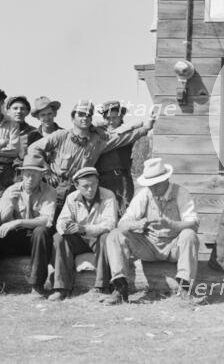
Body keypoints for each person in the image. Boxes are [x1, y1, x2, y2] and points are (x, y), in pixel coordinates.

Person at [28, 99, 155, 217]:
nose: (85, 118)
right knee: (48, 220)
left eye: (88, 115)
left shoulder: (97, 141)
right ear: (73, 118)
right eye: (81, 115)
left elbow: (121, 138)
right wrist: (47, 170)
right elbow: (34, 149)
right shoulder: (61, 135)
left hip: (80, 189)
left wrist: (146, 128)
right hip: (57, 187)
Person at [103, 158, 199, 304]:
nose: (152, 188)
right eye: (150, 185)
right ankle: (120, 287)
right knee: (115, 235)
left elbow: (193, 224)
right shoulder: (144, 194)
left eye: (156, 184)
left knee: (189, 235)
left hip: (173, 246)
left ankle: (185, 288)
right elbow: (122, 224)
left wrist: (173, 224)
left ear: (166, 179)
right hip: (148, 246)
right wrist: (137, 224)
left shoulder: (181, 193)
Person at [49, 167, 117, 301]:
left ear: (98, 183)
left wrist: (84, 228)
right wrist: (66, 227)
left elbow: (110, 224)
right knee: (58, 238)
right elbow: (61, 221)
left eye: (93, 185)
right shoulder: (71, 198)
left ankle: (102, 287)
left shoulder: (108, 195)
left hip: (98, 240)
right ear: (76, 186)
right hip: (79, 241)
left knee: (106, 237)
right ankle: (61, 288)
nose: (90, 189)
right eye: (85, 186)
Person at [0, 155, 56, 296]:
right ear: (21, 174)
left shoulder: (49, 191)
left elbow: (47, 220)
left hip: (35, 240)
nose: (30, 179)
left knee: (41, 231)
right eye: (27, 175)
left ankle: (37, 286)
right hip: (13, 238)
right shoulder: (11, 190)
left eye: (34, 175)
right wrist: (10, 205)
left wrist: (18, 222)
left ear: (41, 175)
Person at [95, 101, 138, 216]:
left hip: (122, 177)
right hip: (103, 177)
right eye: (108, 118)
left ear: (121, 117)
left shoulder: (128, 131)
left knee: (125, 208)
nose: (111, 121)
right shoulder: (98, 132)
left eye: (115, 117)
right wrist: (98, 129)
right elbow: (89, 126)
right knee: (105, 209)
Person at [0, 87, 20, 204]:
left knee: (3, 205)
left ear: (2, 103)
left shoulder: (13, 124)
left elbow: (14, 151)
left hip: (5, 171)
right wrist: (2, 142)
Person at [6, 96, 37, 182]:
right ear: (8, 111)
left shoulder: (34, 133)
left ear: (27, 112)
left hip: (23, 177)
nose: (19, 111)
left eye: (22, 109)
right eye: (15, 108)